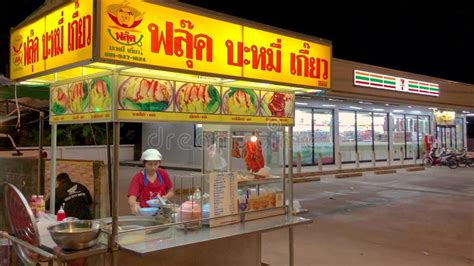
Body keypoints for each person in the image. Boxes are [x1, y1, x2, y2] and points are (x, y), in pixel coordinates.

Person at [128, 148, 174, 215]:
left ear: (159, 163)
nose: (153, 168)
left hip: (161, 211)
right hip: (145, 212)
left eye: (156, 164)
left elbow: (171, 191)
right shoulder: (138, 177)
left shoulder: (163, 174)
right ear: (144, 164)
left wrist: (165, 197)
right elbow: (132, 197)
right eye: (150, 164)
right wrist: (133, 205)